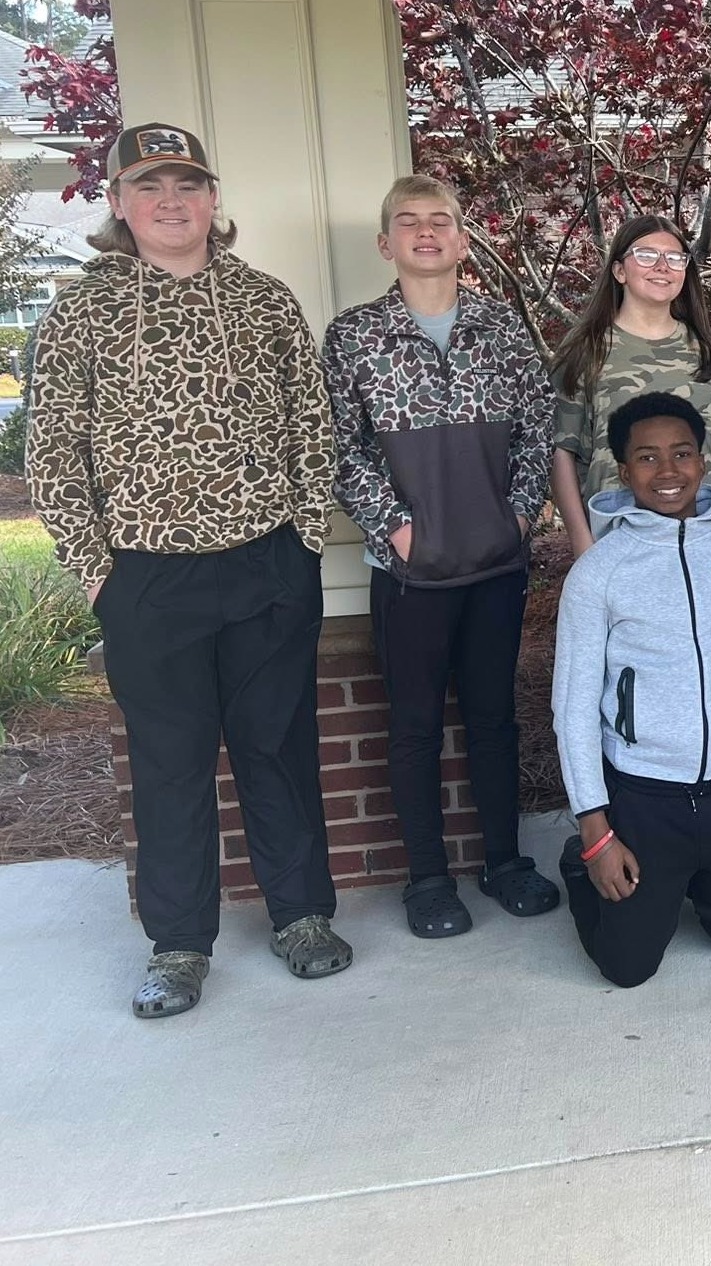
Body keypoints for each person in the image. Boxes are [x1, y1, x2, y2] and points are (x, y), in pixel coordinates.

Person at [29, 123, 350, 1017]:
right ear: (121, 206)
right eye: (149, 187)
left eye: (187, 184)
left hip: (267, 566)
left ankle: (301, 915)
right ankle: (177, 944)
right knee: (169, 761)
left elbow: (310, 424)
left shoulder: (265, 300)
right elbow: (53, 450)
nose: (170, 202)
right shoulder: (83, 308)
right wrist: (97, 571)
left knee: (277, 747)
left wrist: (304, 538)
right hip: (146, 578)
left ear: (214, 199)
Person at [323, 174, 560, 939]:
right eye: (408, 222)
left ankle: (504, 861)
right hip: (409, 576)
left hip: (496, 567)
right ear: (385, 243)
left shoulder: (502, 329)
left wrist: (521, 517)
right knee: (415, 727)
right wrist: (396, 530)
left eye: (442, 222)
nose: (426, 233)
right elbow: (343, 450)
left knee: (493, 720)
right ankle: (427, 880)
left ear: (463, 240)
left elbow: (535, 431)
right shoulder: (355, 335)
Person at [551, 392, 711, 988]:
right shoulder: (599, 572)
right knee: (628, 969)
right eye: (647, 457)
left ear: (704, 461)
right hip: (645, 797)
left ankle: (698, 881)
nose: (667, 472)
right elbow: (573, 708)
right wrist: (594, 829)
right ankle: (583, 868)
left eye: (682, 454)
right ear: (623, 470)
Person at [548, 214, 711, 555]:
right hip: (621, 535)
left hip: (709, 533)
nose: (662, 266)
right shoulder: (587, 348)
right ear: (619, 271)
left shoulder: (701, 346)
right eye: (645, 255)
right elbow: (560, 452)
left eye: (674, 258)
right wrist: (584, 545)